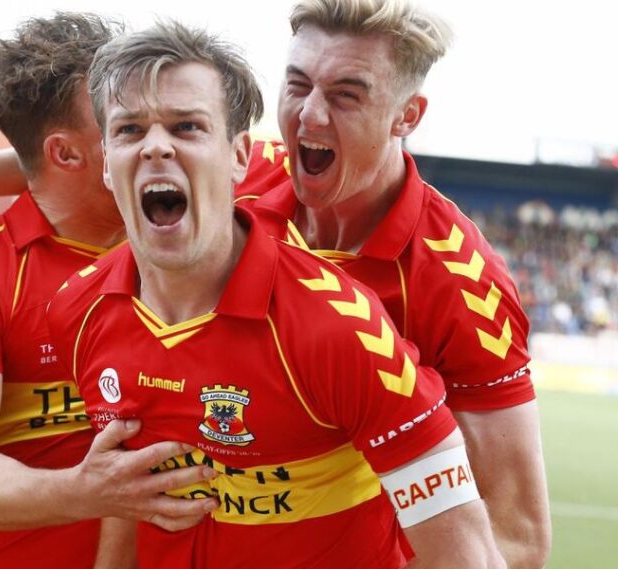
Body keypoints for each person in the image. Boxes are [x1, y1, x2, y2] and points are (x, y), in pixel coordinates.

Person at [0, 3, 550, 565]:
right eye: (297, 86)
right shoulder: (247, 181)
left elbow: (516, 535)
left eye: (347, 95)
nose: (309, 117)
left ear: (406, 116)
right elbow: (100, 151)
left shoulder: (455, 282)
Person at [45, 20, 504, 568]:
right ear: (105, 162)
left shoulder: (341, 330)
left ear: (240, 156)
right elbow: (128, 501)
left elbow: (469, 555)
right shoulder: (76, 312)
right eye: (129, 130)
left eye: (187, 127)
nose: (157, 147)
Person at [0, 13, 216, 569]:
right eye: (122, 121)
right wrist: (86, 491)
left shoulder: (206, 215)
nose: (155, 140)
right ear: (66, 154)